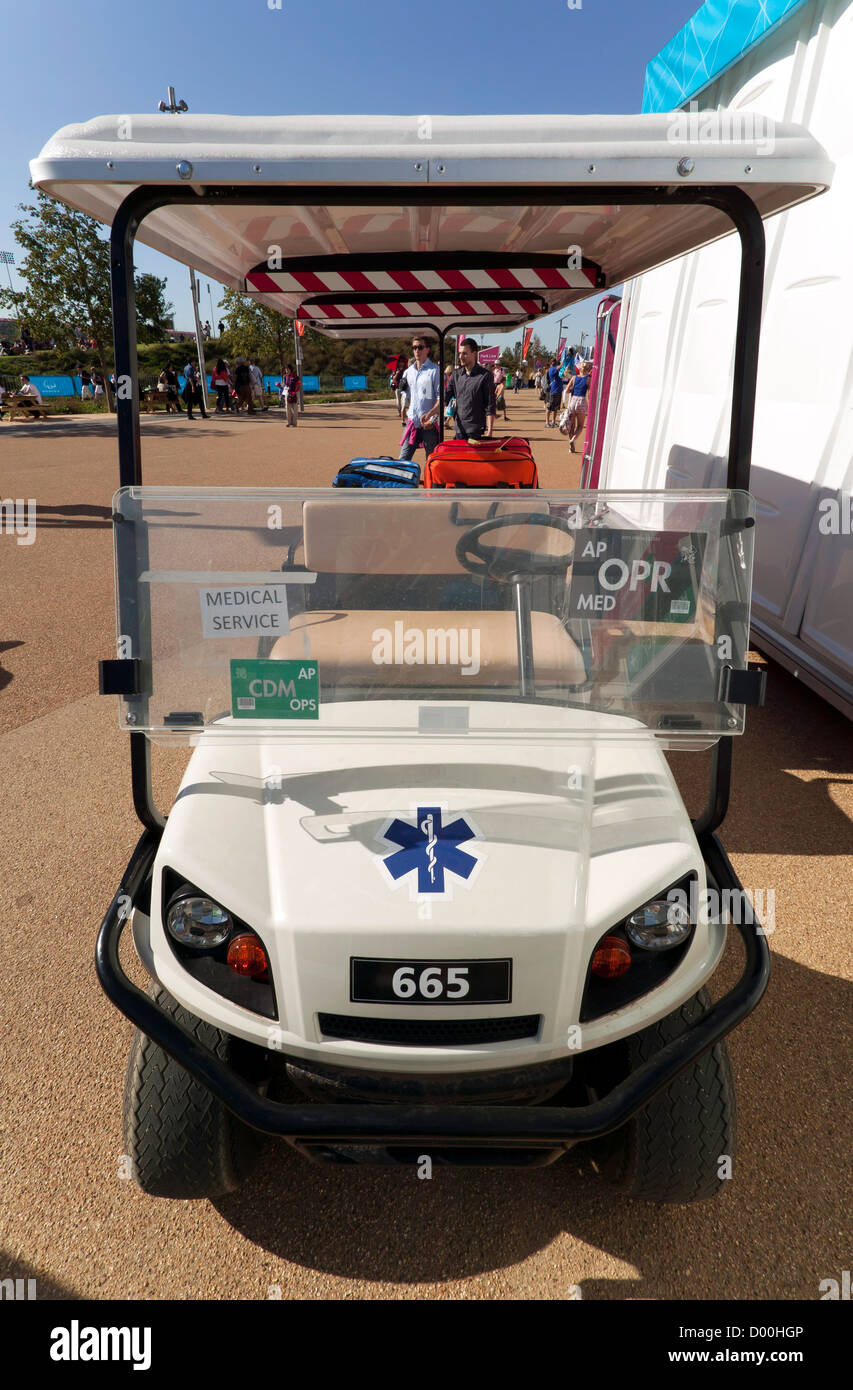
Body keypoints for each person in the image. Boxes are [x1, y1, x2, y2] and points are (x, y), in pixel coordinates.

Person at [399, 336, 440, 461]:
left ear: (427, 349)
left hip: (429, 424)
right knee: (402, 460)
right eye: (414, 347)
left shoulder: (435, 370)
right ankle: (403, 481)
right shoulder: (408, 372)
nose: (417, 350)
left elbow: (440, 398)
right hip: (412, 422)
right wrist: (403, 410)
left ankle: (432, 481)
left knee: (431, 461)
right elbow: (407, 395)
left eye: (420, 347)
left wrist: (430, 416)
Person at [447, 338, 495, 442]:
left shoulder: (485, 376)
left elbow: (490, 405)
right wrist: (430, 415)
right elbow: (444, 398)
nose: (460, 357)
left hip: (475, 431)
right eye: (460, 353)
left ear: (474, 354)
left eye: (464, 353)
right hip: (459, 430)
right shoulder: (455, 375)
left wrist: (490, 432)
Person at [564, 360, 592, 452]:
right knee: (580, 426)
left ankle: (570, 446)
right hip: (582, 401)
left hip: (573, 400)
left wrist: (574, 389)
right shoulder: (588, 379)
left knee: (571, 425)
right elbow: (590, 393)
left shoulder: (574, 378)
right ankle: (574, 439)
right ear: (587, 369)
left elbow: (567, 390)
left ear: (579, 368)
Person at [545, 356, 563, 428]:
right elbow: (560, 366)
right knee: (549, 407)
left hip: (558, 390)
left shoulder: (557, 370)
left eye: (555, 361)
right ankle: (547, 422)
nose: (554, 362)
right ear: (551, 363)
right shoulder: (551, 369)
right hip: (554, 390)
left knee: (556, 408)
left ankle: (553, 422)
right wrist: (564, 359)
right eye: (553, 361)